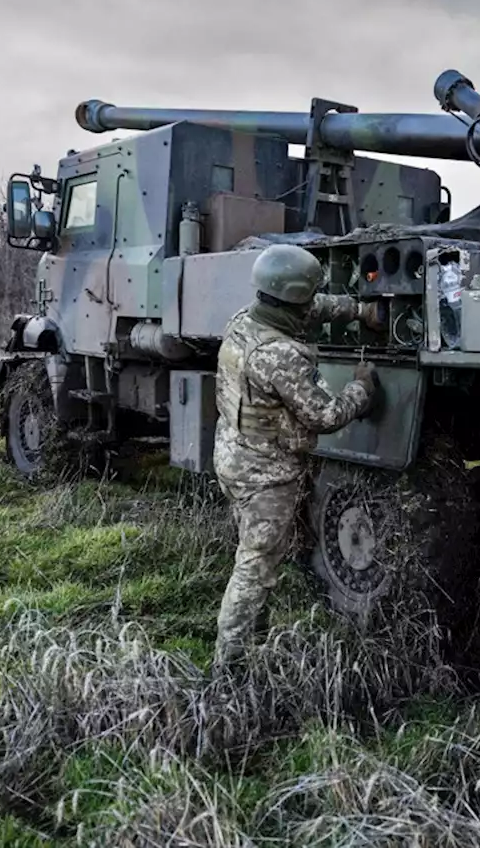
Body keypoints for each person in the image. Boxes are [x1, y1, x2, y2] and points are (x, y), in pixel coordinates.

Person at [211, 242, 382, 672]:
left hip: (233, 455)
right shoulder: (280, 356)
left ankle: (254, 643)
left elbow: (311, 306)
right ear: (293, 300)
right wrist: (361, 387)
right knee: (255, 567)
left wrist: (357, 310)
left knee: (254, 553)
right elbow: (325, 415)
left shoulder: (242, 322)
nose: (310, 307)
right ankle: (229, 668)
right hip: (266, 475)